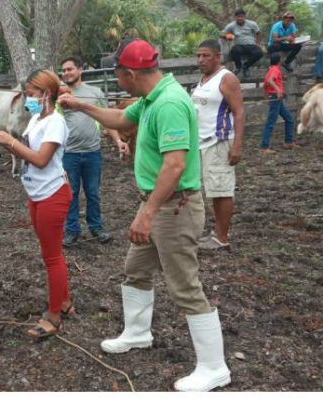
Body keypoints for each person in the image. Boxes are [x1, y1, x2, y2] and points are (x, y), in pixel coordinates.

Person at [57, 40, 231, 392]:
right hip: (157, 203)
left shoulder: (167, 103)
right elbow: (120, 118)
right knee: (136, 270)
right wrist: (80, 105)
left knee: (185, 286)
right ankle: (137, 333)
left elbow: (176, 164)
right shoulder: (152, 98)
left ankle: (215, 367)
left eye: (119, 75)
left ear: (130, 74)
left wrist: (148, 214)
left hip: (173, 207)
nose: (117, 81)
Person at [0, 69, 74, 339]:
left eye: (31, 93)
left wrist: (11, 141)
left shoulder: (56, 123)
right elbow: (25, 150)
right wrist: (4, 141)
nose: (28, 98)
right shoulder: (37, 119)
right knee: (50, 253)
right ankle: (64, 301)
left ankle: (53, 316)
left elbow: (40, 159)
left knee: (52, 257)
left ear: (46, 94)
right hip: (36, 193)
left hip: (52, 194)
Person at [60, 55, 129, 248]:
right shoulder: (60, 94)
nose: (66, 73)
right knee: (70, 193)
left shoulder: (95, 92)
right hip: (69, 154)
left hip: (92, 152)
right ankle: (72, 231)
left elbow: (107, 119)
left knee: (93, 192)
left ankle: (96, 227)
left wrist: (117, 140)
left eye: (70, 69)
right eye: (63, 70)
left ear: (80, 70)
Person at [190, 40, 245, 253]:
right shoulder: (204, 79)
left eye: (205, 55)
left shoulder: (227, 78)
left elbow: (239, 111)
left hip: (219, 141)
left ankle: (222, 238)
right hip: (201, 142)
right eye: (198, 55)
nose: (201, 60)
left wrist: (237, 144)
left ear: (217, 57)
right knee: (212, 190)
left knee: (222, 190)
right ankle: (215, 233)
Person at [260, 52, 297, 154]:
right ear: (279, 61)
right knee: (270, 123)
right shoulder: (275, 70)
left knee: (289, 119)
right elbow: (271, 81)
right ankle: (264, 146)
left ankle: (289, 142)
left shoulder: (270, 70)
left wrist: (267, 98)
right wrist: (278, 91)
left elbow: (265, 86)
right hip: (276, 98)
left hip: (275, 99)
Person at [220, 9, 263, 79]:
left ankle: (246, 66)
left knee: (260, 53)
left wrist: (258, 43)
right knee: (235, 50)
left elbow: (258, 33)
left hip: (251, 45)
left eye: (242, 16)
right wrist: (228, 36)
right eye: (238, 17)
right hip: (239, 45)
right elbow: (221, 34)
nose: (240, 18)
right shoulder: (231, 25)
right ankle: (238, 66)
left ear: (245, 17)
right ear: (235, 17)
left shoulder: (252, 24)